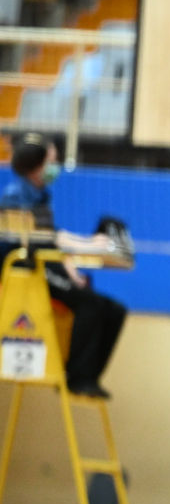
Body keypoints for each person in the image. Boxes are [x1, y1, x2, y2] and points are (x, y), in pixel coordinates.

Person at [0, 134, 127, 399]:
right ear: (36, 165)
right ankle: (77, 377)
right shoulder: (15, 196)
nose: (55, 167)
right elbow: (41, 238)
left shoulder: (40, 194)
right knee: (89, 304)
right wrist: (89, 245)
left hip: (42, 264)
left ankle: (89, 376)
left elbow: (52, 236)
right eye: (52, 161)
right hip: (25, 272)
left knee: (114, 310)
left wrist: (73, 259)